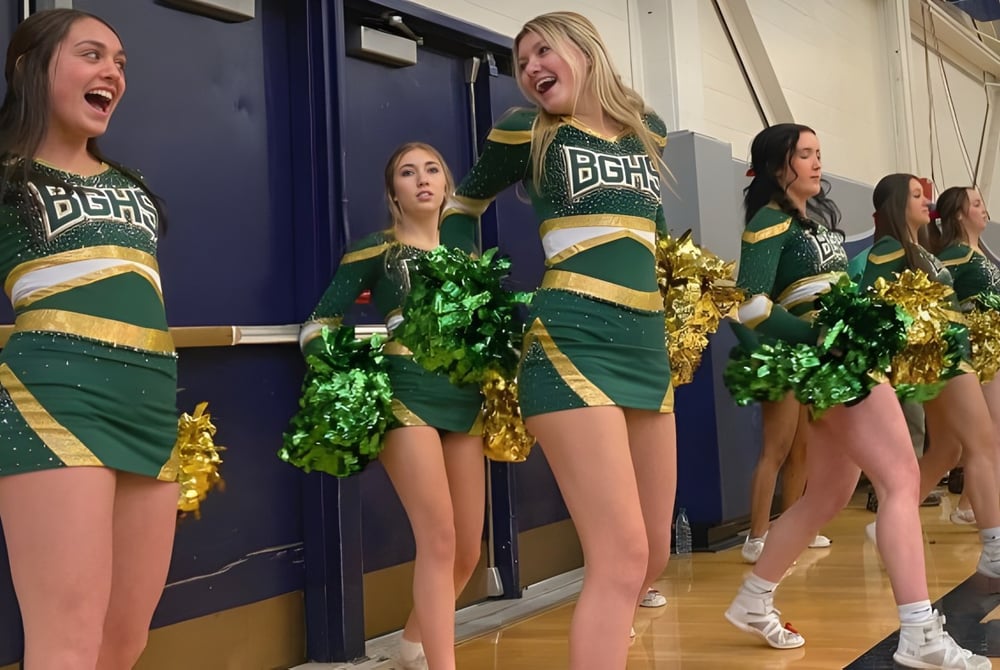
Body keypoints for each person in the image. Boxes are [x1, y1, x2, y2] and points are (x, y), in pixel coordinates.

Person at [439, 11, 676, 669]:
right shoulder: (527, 131)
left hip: (646, 347)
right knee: (621, 554)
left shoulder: (645, 131)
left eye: (544, 50)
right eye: (522, 61)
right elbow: (461, 209)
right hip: (570, 341)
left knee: (652, 554)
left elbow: (653, 230)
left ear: (584, 49)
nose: (533, 67)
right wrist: (478, 296)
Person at [724, 126, 987, 669]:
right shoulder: (770, 220)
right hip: (833, 363)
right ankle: (918, 632)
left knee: (826, 496)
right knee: (900, 479)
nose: (818, 162)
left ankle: (753, 599)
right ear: (779, 166)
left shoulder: (810, 220)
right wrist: (816, 338)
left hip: (848, 357)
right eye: (806, 154)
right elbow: (747, 304)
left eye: (820, 152)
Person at [0, 9, 180, 669]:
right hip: (52, 398)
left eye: (121, 63)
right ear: (28, 67)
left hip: (150, 403)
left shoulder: (133, 186)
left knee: (122, 640)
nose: (112, 73)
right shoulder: (6, 176)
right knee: (67, 641)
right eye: (91, 55)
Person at [300, 142, 485, 670]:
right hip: (406, 392)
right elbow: (318, 323)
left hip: (465, 396)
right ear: (393, 192)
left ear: (447, 186)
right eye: (408, 173)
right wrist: (343, 369)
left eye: (432, 170)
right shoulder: (373, 250)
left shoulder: (466, 254)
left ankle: (411, 646)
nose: (422, 179)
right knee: (440, 537)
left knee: (468, 551)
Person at [860, 175, 1000, 572]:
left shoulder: (922, 248)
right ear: (895, 204)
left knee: (947, 450)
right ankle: (994, 549)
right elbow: (871, 299)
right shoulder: (889, 249)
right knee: (983, 442)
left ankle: (886, 522)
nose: (927, 201)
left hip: (949, 352)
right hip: (941, 355)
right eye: (917, 195)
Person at [927, 185, 1000, 526]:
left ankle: (970, 506)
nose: (983, 209)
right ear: (958, 214)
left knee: (975, 439)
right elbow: (939, 302)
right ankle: (978, 511)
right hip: (971, 352)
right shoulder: (951, 257)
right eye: (976, 203)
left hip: (990, 350)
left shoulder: (976, 253)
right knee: (985, 434)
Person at [741, 393, 831, 563]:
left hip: (806, 368)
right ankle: (756, 538)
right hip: (781, 368)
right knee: (776, 449)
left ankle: (790, 533)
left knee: (801, 452)